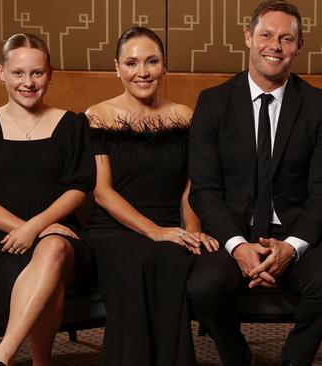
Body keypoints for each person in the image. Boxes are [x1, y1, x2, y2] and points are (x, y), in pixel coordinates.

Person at [186, 1, 322, 365]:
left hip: (295, 231)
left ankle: (293, 360)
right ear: (248, 37)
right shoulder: (213, 103)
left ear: (298, 47)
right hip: (233, 231)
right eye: (265, 35)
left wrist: (291, 247)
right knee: (202, 288)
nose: (274, 46)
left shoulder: (319, 105)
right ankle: (238, 357)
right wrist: (238, 246)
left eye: (286, 38)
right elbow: (204, 190)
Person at [0, 33, 96, 366]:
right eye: (18, 73)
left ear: (51, 74)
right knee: (51, 280)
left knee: (56, 247)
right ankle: (40, 363)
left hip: (62, 234)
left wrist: (40, 228)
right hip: (2, 241)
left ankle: (3, 356)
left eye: (37, 73)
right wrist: (27, 230)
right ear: (1, 73)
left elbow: (79, 188)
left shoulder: (72, 124)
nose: (28, 83)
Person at [84, 26, 218, 366]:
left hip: (171, 224)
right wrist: (154, 231)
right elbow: (102, 191)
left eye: (151, 61)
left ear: (165, 66)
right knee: (142, 256)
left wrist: (190, 229)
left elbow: (192, 185)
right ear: (117, 67)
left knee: (174, 257)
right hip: (113, 227)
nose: (142, 72)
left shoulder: (186, 116)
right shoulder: (97, 116)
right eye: (131, 63)